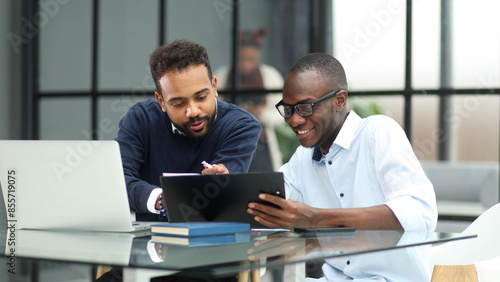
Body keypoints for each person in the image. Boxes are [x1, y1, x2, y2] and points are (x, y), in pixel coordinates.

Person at [246, 53, 437, 280]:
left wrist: (316, 219)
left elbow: (419, 213)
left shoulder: (377, 133)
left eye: (305, 107)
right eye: (288, 109)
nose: (294, 120)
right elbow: (264, 205)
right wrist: (224, 185)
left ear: (339, 100)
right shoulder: (302, 159)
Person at [115, 40, 262, 222]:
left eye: (201, 97)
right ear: (161, 101)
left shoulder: (241, 125)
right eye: (178, 103)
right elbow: (118, 181)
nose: (193, 111)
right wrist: (163, 200)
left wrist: (223, 180)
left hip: (210, 242)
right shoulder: (141, 119)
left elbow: (217, 199)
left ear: (214, 87)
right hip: (146, 242)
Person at [215, 27, 285, 171]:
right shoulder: (222, 76)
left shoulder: (270, 77)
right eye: (242, 59)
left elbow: (283, 114)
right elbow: (214, 112)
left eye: (251, 59)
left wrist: (261, 114)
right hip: (230, 145)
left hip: (262, 148)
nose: (246, 64)